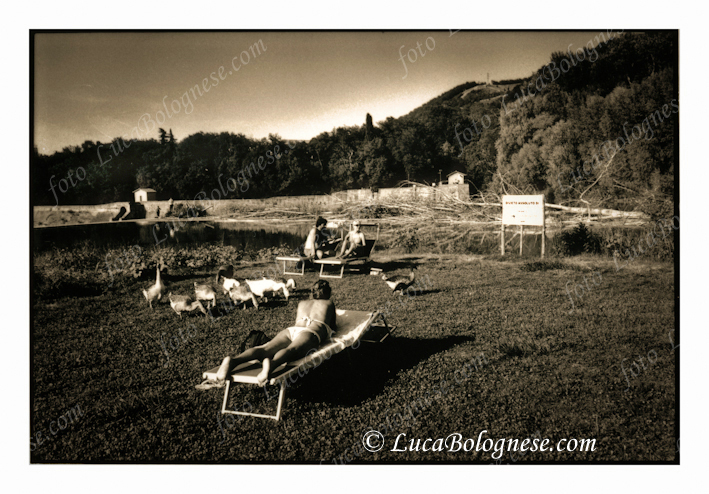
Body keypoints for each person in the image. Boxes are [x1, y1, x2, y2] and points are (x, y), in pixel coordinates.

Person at [209, 280, 336, 387]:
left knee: (265, 348)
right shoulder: (329, 303)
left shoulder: (302, 303)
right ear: (328, 293)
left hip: (291, 329)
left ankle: (233, 360)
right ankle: (273, 364)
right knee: (292, 350)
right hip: (310, 331)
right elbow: (333, 326)